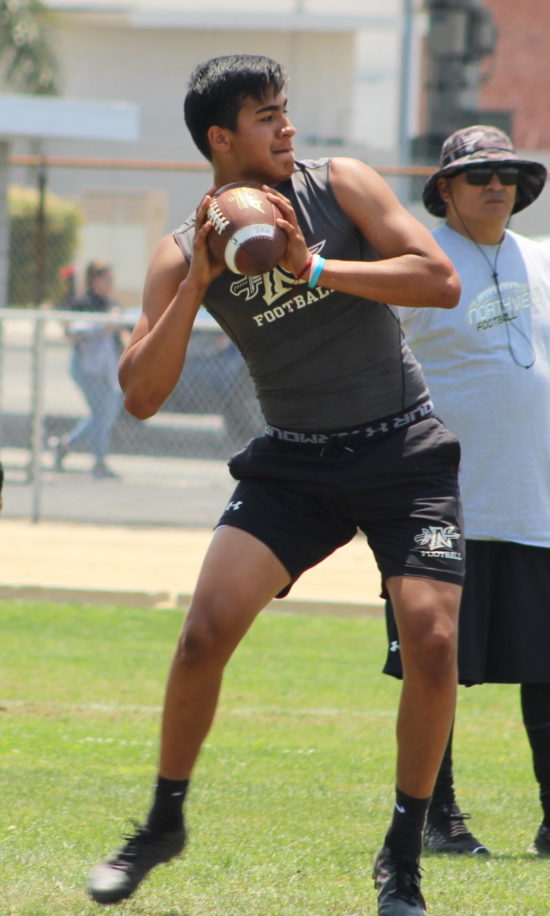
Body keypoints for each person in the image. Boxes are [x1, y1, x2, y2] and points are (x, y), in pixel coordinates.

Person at [87, 54, 464, 915]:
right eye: (267, 116)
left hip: (401, 446)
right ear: (221, 139)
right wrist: (197, 283)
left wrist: (313, 269)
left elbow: (439, 281)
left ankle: (403, 856)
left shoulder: (342, 184)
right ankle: (162, 823)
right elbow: (140, 396)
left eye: (286, 109)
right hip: (296, 460)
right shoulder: (178, 252)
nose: (287, 127)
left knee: (433, 639)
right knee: (202, 635)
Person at [383, 124, 550, 859]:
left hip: (535, 503)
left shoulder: (541, 259)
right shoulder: (419, 263)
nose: (496, 185)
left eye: (507, 175)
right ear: (445, 188)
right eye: (479, 175)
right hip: (443, 503)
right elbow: (374, 365)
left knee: (547, 668)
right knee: (436, 663)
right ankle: (437, 817)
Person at [49, 261, 124, 479]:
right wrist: (99, 328)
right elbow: (70, 333)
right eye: (107, 279)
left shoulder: (111, 303)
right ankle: (99, 463)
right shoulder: (82, 302)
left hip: (106, 369)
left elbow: (119, 335)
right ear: (95, 280)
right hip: (85, 367)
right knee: (101, 414)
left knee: (105, 415)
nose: (110, 284)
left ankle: (65, 445)